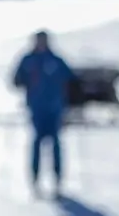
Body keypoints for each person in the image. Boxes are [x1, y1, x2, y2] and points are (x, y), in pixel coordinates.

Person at [12, 29, 75, 198]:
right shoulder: (28, 60)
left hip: (55, 108)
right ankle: (35, 180)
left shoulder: (55, 60)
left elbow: (70, 79)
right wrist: (22, 81)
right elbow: (16, 79)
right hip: (36, 108)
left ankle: (57, 181)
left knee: (55, 144)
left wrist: (69, 101)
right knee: (37, 143)